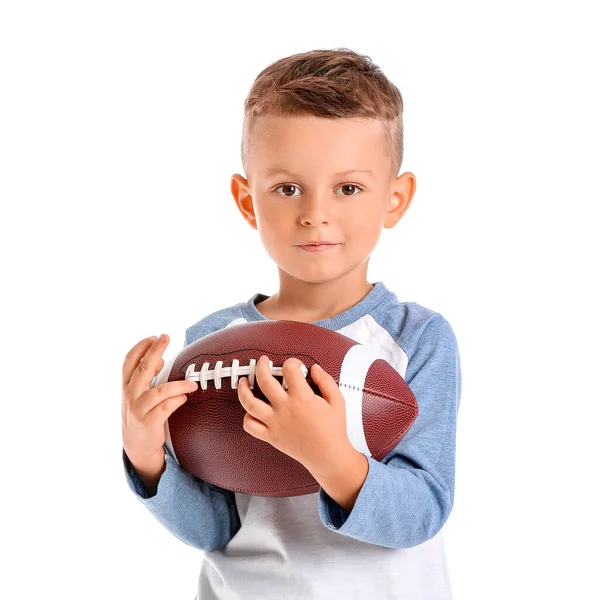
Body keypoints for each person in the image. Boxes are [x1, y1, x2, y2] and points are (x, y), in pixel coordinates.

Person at [121, 47, 462, 600]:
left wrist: (331, 458)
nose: (315, 212)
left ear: (394, 200)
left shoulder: (418, 338)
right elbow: (213, 529)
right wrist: (146, 456)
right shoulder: (211, 344)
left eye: (347, 188)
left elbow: (423, 511)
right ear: (247, 199)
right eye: (287, 188)